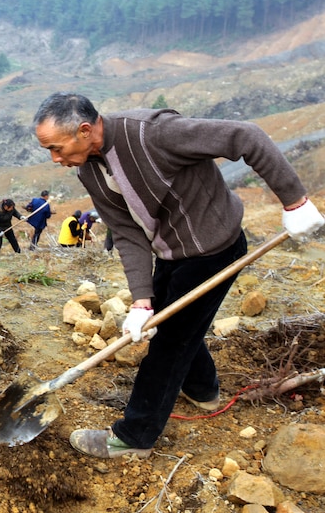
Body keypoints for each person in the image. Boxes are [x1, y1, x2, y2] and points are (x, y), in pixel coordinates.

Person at [34, 92, 324, 459]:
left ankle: (135, 436)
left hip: (214, 249)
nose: (54, 158)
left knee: (170, 342)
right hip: (170, 252)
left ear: (85, 130)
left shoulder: (154, 133)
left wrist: (294, 201)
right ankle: (204, 390)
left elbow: (247, 136)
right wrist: (140, 299)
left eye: (56, 148)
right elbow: (125, 231)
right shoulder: (88, 167)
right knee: (174, 320)